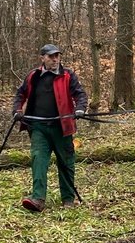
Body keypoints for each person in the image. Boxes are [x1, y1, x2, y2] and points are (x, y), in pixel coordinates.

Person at [12, 44, 88, 212]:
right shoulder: (33, 76)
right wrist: (17, 111)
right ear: (43, 58)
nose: (55, 59)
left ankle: (68, 199)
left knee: (66, 162)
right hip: (38, 127)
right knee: (38, 159)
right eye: (51, 56)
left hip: (62, 127)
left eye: (57, 56)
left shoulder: (68, 75)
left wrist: (80, 108)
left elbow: (80, 94)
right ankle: (38, 199)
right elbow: (20, 94)